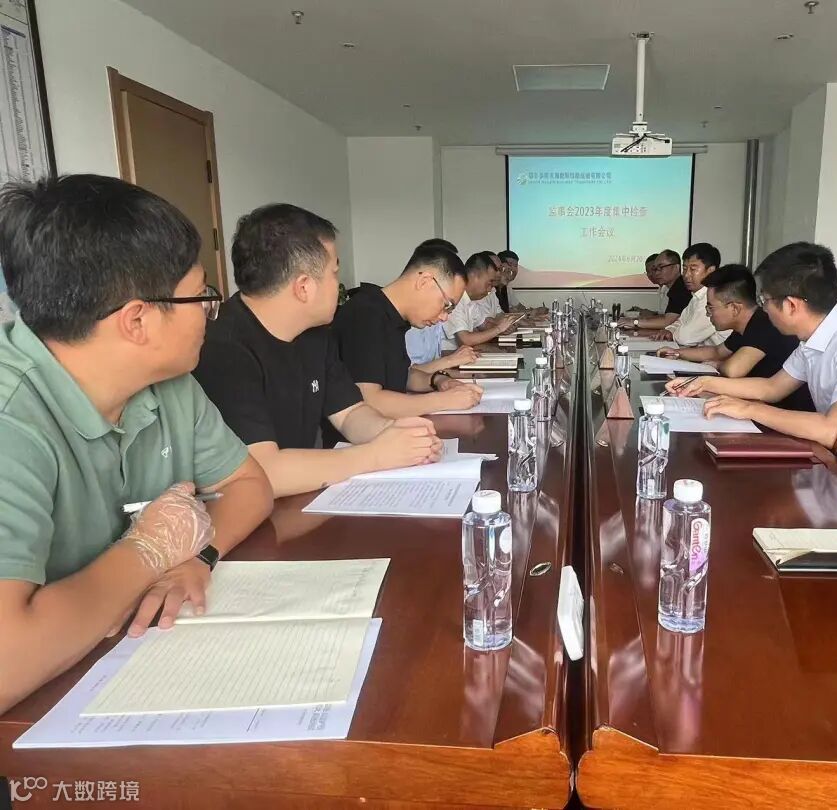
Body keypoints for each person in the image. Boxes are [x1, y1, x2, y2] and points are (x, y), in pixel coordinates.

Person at [0, 174, 274, 711]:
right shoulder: (12, 422)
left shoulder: (168, 383)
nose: (209, 312)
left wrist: (199, 556)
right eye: (201, 295)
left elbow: (249, 485)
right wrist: (148, 552)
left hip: (129, 665)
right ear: (137, 320)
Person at [193, 204, 442, 498]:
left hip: (302, 497)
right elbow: (261, 471)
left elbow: (350, 414)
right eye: (334, 272)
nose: (339, 284)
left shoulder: (315, 334)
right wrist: (376, 455)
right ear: (304, 287)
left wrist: (396, 433)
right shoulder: (223, 347)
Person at [666, 242, 837, 448]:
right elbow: (772, 388)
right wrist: (704, 383)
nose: (763, 309)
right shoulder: (814, 338)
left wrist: (748, 409)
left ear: (791, 305)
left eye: (764, 300)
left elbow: (833, 429)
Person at [333, 245, 485, 418]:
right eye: (447, 305)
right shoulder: (364, 314)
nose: (444, 317)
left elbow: (402, 375)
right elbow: (368, 401)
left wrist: (438, 380)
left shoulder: (393, 317)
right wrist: (444, 400)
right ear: (424, 282)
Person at [657, 264, 815, 411]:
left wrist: (717, 366)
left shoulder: (764, 323)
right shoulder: (745, 325)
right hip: (760, 402)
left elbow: (733, 370)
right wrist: (676, 353)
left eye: (710, 307)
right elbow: (717, 352)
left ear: (734, 308)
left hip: (783, 410)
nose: (707, 313)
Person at [442, 252, 517, 348]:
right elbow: (465, 340)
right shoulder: (455, 299)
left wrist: (505, 327)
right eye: (489, 283)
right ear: (473, 276)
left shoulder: (470, 301)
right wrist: (498, 329)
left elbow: (484, 325)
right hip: (448, 355)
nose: (489, 290)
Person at [404, 238, 460, 364]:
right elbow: (408, 372)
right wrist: (450, 361)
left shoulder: (436, 309)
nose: (444, 317)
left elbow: (434, 358)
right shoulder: (413, 315)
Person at [666, 243, 723, 346]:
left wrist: (672, 333)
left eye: (693, 269)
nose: (686, 275)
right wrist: (669, 330)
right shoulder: (697, 295)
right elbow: (680, 321)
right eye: (684, 269)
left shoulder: (714, 297)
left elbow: (685, 338)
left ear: (711, 271)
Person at [620, 248, 691, 329]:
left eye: (661, 267)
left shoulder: (681, 288)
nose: (656, 273)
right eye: (655, 269)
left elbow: (667, 322)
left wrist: (634, 322)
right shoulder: (674, 287)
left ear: (676, 267)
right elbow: (666, 317)